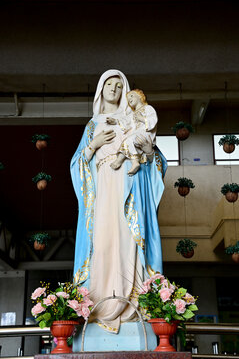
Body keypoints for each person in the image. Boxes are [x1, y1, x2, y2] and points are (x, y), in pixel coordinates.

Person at [70, 69, 167, 334]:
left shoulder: (135, 119)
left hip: (129, 187)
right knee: (101, 243)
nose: (113, 88)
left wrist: (147, 151)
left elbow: (155, 159)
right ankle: (99, 306)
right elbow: (77, 164)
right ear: (100, 90)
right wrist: (94, 145)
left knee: (128, 242)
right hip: (103, 188)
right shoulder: (92, 125)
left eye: (118, 84)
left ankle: (133, 304)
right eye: (108, 84)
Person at [109, 89, 158, 176]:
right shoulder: (132, 114)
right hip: (136, 134)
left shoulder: (148, 108)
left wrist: (141, 119)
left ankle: (127, 161)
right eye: (128, 98)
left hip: (145, 134)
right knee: (127, 141)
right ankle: (127, 161)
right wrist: (116, 121)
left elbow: (153, 120)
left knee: (130, 139)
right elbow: (126, 123)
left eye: (132, 96)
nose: (129, 99)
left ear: (140, 96)